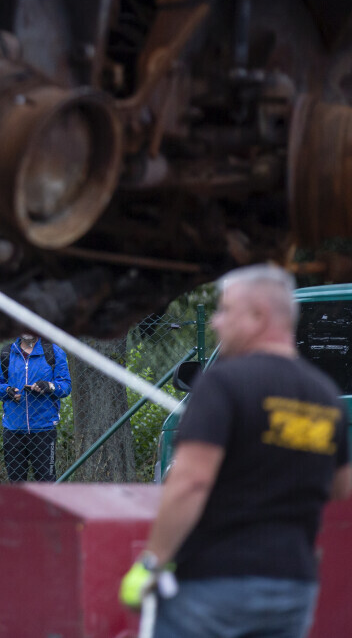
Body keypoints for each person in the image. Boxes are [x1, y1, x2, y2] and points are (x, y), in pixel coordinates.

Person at [119, 265, 352, 636]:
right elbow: (341, 491)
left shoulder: (223, 383)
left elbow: (191, 482)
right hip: (294, 586)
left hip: (216, 580)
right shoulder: (325, 396)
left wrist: (152, 562)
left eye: (226, 310)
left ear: (258, 316)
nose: (215, 322)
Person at [0, 330, 71, 482]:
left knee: (47, 484)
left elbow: (65, 386)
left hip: (44, 429)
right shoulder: (8, 353)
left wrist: (49, 386)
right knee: (16, 485)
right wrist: (7, 391)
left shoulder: (53, 352)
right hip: (13, 430)